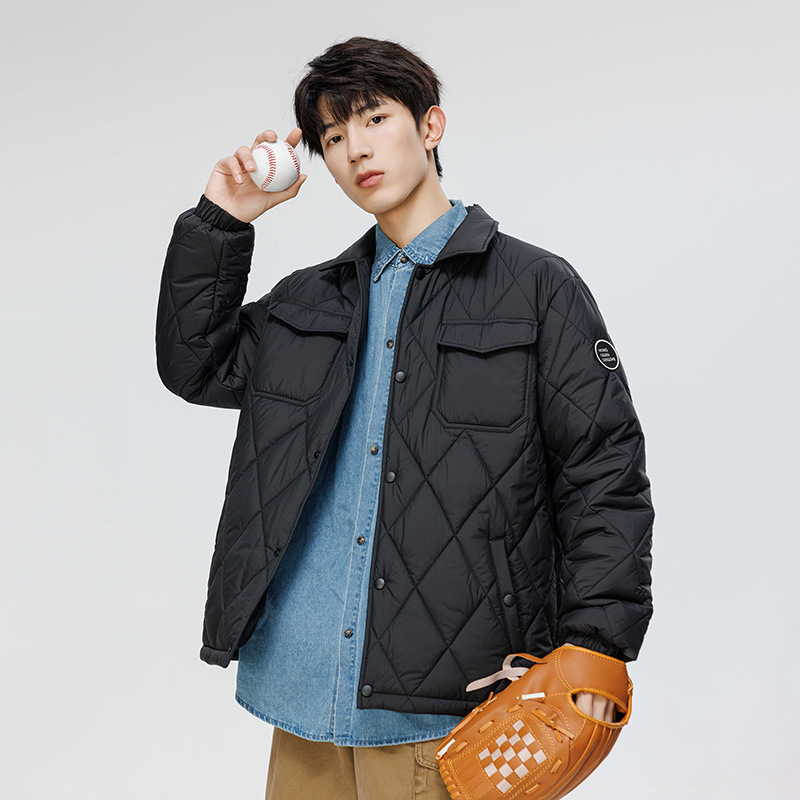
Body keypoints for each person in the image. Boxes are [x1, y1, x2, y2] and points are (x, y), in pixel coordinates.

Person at [155, 35, 654, 800]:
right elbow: (195, 363)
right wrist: (223, 221)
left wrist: (598, 645)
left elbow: (603, 474)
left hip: (449, 702)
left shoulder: (537, 290)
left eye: (374, 118)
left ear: (430, 125)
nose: (355, 148)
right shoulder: (308, 302)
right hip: (302, 693)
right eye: (332, 137)